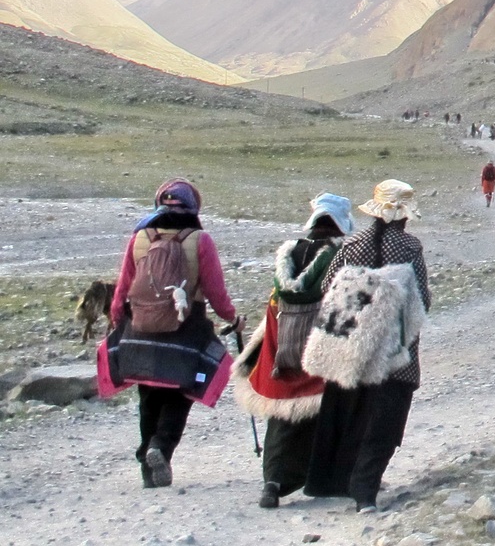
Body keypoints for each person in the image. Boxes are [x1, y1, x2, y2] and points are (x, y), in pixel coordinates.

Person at [100, 179, 243, 488]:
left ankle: (146, 467)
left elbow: (123, 284)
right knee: (180, 393)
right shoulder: (199, 240)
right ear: (194, 207)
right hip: (185, 327)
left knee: (149, 393)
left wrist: (116, 319)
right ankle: (160, 448)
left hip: (141, 326)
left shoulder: (140, 237)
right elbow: (216, 293)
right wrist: (233, 317)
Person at [304, 180, 430, 512]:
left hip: (350, 344)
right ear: (403, 215)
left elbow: (329, 286)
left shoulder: (351, 244)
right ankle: (365, 490)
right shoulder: (410, 247)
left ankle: (335, 481)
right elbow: (422, 299)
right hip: (394, 351)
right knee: (385, 420)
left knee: (350, 412)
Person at [233, 193, 354, 509]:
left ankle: (272, 483)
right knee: (321, 415)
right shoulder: (341, 259)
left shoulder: (288, 258)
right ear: (340, 225)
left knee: (282, 417)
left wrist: (264, 351)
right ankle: (325, 479)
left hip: (283, 350)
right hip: (321, 351)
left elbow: (273, 308)